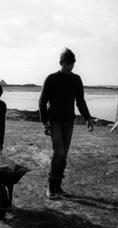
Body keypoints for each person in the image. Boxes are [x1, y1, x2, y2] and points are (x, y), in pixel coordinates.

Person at [39, 48, 94, 199]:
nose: (69, 67)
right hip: (54, 121)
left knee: (63, 155)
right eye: (66, 64)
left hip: (69, 121)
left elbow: (80, 101)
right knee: (59, 153)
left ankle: (58, 186)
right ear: (61, 63)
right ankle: (50, 187)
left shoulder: (76, 79)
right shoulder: (51, 78)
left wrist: (88, 118)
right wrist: (45, 123)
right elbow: (42, 102)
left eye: (72, 64)